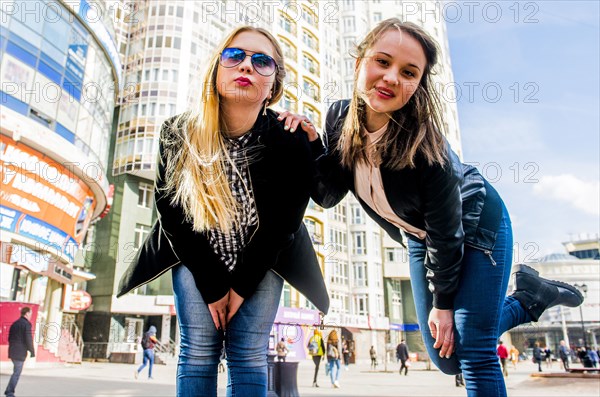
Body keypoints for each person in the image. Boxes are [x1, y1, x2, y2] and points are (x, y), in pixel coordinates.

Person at [279, 18, 585, 397]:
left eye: (408, 72)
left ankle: (523, 300)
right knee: (445, 358)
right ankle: (528, 298)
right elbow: (327, 195)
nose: (391, 77)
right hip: (419, 238)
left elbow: (447, 231)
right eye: (382, 61)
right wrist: (312, 144)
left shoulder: (427, 149)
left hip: (477, 226)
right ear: (359, 63)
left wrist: (443, 303)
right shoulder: (339, 118)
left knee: (473, 348)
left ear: (418, 85)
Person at [117, 25, 329, 397]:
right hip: (196, 256)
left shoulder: (290, 138)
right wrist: (214, 285)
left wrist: (242, 283)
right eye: (235, 56)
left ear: (274, 84)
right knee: (197, 354)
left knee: (248, 357)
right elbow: (173, 215)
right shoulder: (177, 132)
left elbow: (285, 222)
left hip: (265, 259)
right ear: (217, 68)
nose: (246, 65)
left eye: (262, 61)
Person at [4, 306, 35, 397]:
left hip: (13, 351)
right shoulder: (26, 324)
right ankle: (9, 392)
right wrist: (32, 351)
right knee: (17, 373)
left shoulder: (15, 323)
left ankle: (9, 391)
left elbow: (10, 338)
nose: (31, 315)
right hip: (20, 352)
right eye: (30, 314)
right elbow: (28, 339)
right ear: (26, 313)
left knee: (16, 371)